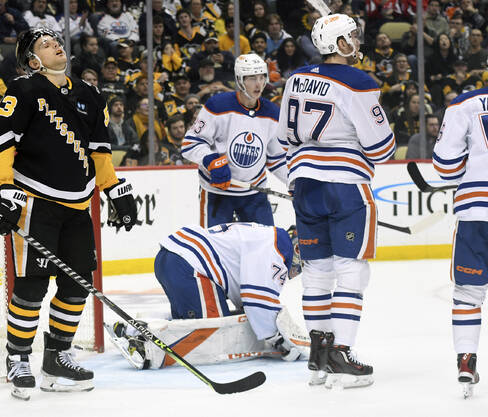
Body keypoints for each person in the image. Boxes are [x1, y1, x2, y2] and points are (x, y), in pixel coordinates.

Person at [0, 27, 137, 398]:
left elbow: (99, 151)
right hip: (36, 203)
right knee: (32, 285)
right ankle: (17, 357)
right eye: (45, 45)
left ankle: (57, 357)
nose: (56, 46)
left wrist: (115, 190)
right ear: (33, 61)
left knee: (77, 283)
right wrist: (4, 191)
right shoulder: (24, 90)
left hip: (79, 205)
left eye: (56, 42)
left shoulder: (89, 94)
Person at [275, 14, 395, 389]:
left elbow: (283, 139)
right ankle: (341, 351)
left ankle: (319, 354)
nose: (357, 42)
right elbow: (382, 147)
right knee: (351, 270)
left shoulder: (295, 78)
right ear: (339, 43)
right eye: (351, 37)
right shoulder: (358, 81)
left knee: (316, 271)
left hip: (304, 183)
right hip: (344, 184)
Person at [105, 222, 306, 369]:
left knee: (185, 321)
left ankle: (133, 327)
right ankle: (144, 346)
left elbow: (247, 298)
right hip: (189, 266)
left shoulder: (267, 236)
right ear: (298, 249)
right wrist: (277, 339)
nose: (297, 271)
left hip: (173, 259)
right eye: (302, 264)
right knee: (213, 332)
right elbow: (257, 300)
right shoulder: (278, 250)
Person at [182, 53, 286, 228]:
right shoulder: (217, 106)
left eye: (262, 77)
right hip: (217, 193)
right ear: (239, 80)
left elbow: (276, 159)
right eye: (252, 78)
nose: (259, 84)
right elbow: (190, 144)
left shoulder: (272, 113)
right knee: (213, 249)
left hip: (254, 194)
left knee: (264, 248)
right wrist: (210, 160)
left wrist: (295, 182)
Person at [432, 84, 488, 398]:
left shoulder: (465, 104)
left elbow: (445, 165)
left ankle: (466, 359)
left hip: (476, 209)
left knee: (468, 292)